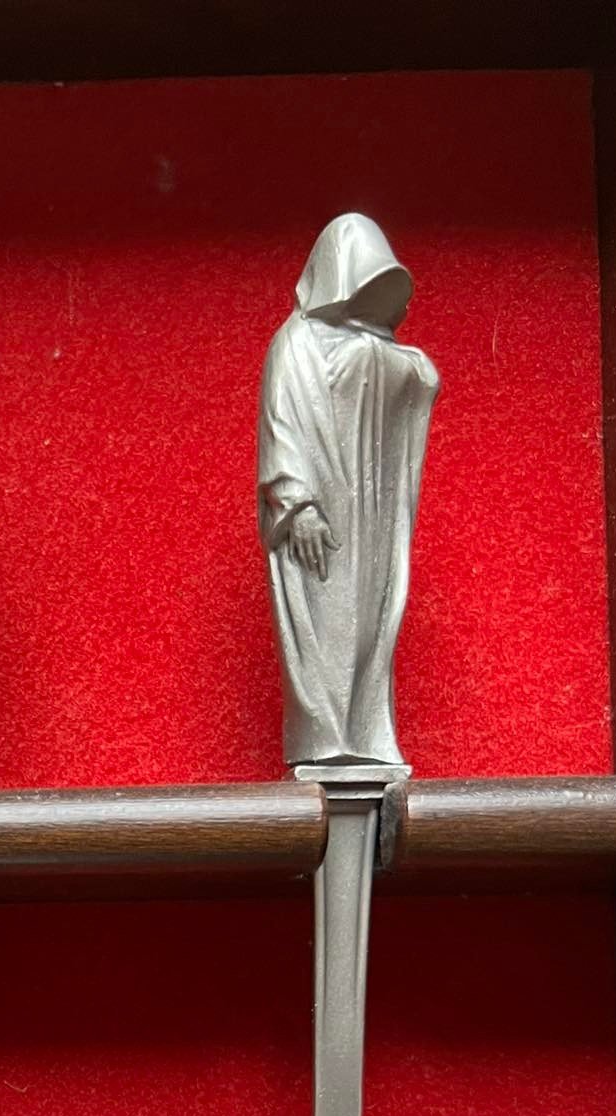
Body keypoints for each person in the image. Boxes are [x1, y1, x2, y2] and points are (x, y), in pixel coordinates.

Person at [258, 213, 438, 768]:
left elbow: (417, 378)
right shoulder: (295, 343)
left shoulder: (379, 349)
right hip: (317, 519)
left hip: (370, 513)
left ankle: (365, 734)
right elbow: (281, 425)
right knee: (325, 627)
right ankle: (326, 740)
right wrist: (298, 503)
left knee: (369, 623)